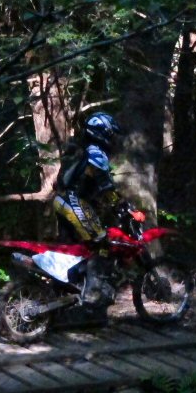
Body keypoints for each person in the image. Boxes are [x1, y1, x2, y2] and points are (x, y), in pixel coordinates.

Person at [53, 111, 141, 306]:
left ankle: (66, 294)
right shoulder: (95, 154)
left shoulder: (80, 150)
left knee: (75, 250)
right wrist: (127, 208)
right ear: (102, 133)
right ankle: (92, 297)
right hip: (74, 202)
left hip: (63, 201)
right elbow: (106, 187)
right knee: (101, 243)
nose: (112, 139)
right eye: (110, 134)